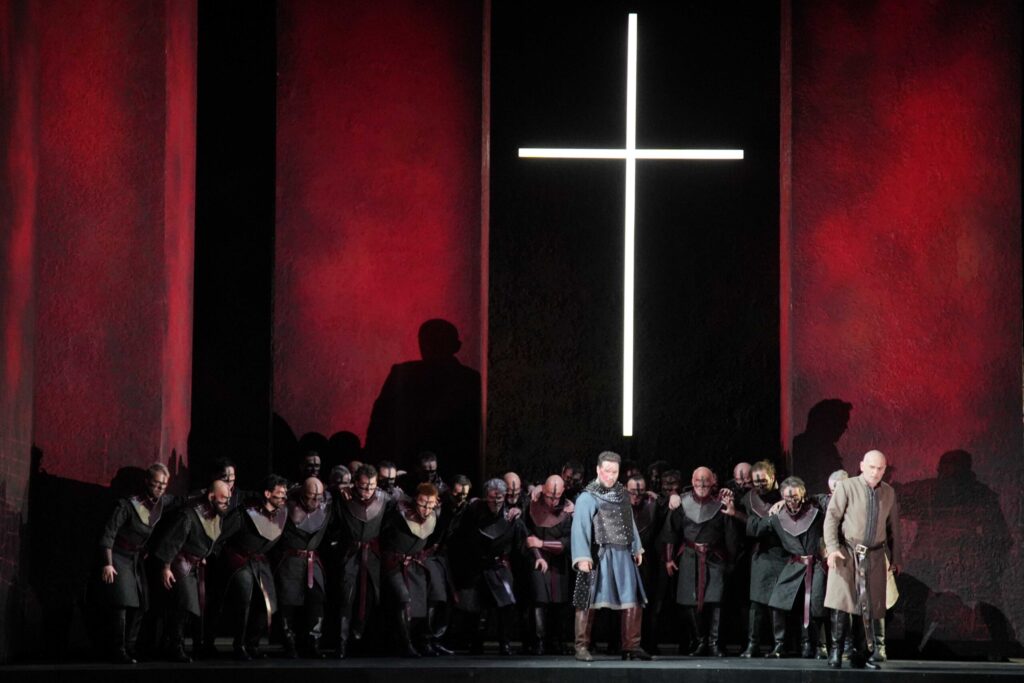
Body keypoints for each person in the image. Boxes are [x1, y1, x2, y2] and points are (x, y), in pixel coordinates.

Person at [365, 319, 482, 485]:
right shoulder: (469, 379)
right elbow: (380, 422)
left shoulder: (404, 374)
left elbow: (379, 424)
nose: (429, 348)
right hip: (437, 467)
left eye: (436, 342)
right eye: (428, 342)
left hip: (436, 467)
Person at [570, 451, 651, 661]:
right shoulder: (587, 497)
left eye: (614, 472)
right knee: (587, 599)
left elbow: (629, 523)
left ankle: (631, 646)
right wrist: (582, 557)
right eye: (607, 471)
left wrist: (637, 547)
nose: (611, 476)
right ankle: (581, 646)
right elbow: (580, 527)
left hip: (623, 553)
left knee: (632, 598)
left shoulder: (621, 494)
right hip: (598, 554)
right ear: (598, 470)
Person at [824, 450, 901, 670]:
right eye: (872, 467)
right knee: (842, 603)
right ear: (862, 466)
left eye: (880, 468)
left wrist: (896, 557)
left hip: (874, 556)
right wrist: (832, 548)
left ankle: (863, 654)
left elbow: (894, 528)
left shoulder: (888, 492)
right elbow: (832, 519)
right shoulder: (847, 487)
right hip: (847, 553)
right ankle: (836, 650)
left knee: (870, 606)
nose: (875, 472)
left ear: (885, 470)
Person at [98, 463, 174, 663]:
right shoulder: (127, 505)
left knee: (142, 603)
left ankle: (131, 647)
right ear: (147, 481)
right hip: (118, 556)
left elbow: (180, 500)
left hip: (135, 558)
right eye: (156, 484)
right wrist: (107, 563)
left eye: (164, 485)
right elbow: (108, 534)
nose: (160, 488)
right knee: (123, 602)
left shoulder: (161, 502)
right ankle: (118, 649)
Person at [659, 467, 739, 657]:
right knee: (689, 600)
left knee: (716, 599)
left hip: (714, 557)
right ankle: (699, 641)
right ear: (692, 482)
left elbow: (730, 535)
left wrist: (731, 560)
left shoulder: (721, 504)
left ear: (713, 483)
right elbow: (670, 531)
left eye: (706, 482)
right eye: (698, 482)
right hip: (689, 556)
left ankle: (714, 643)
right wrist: (669, 559)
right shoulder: (681, 502)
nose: (702, 485)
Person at [152, 479, 232, 662]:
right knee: (183, 606)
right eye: (223, 499)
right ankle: (175, 647)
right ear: (211, 497)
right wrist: (166, 567)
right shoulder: (188, 515)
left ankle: (186, 645)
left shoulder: (217, 515)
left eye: (228, 499)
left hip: (195, 565)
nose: (226, 503)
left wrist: (203, 554)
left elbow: (209, 539)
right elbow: (171, 542)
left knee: (193, 608)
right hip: (180, 564)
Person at [748, 476, 827, 659]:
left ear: (803, 495)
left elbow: (826, 499)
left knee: (814, 605)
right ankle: (779, 645)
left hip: (815, 565)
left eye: (795, 497)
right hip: (795, 564)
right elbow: (756, 529)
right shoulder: (778, 516)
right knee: (777, 601)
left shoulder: (816, 512)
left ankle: (817, 645)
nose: (792, 502)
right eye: (787, 498)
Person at [450, 478, 525, 655]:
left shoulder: (511, 517)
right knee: (477, 606)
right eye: (492, 498)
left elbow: (520, 545)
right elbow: (460, 536)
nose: (496, 502)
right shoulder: (473, 512)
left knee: (506, 603)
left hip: (498, 566)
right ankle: (475, 643)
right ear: (486, 497)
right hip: (476, 565)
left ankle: (505, 643)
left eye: (499, 498)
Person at [218, 474, 290, 660]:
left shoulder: (281, 513)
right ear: (267, 494)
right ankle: (239, 645)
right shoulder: (245, 513)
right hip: (240, 559)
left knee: (267, 603)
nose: (284, 497)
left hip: (260, 561)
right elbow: (220, 535)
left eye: (285, 494)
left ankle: (253, 644)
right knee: (244, 600)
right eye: (280, 494)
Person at [330, 464, 395, 658]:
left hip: (373, 555)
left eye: (372, 486)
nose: (367, 490)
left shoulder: (385, 499)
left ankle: (364, 642)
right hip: (350, 553)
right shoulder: (343, 498)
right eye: (363, 486)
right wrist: (340, 488)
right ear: (355, 483)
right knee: (346, 597)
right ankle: (341, 643)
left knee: (372, 598)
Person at [380, 482, 443, 657]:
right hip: (393, 562)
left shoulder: (434, 514)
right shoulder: (398, 512)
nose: (426, 509)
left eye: (430, 505)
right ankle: (404, 643)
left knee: (431, 596)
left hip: (415, 562)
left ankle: (423, 641)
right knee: (403, 598)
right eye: (423, 504)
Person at [276, 477, 332, 658]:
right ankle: (289, 644)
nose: (315, 501)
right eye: (310, 497)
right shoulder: (287, 505)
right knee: (288, 602)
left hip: (312, 561)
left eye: (318, 497)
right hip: (291, 560)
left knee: (317, 599)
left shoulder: (327, 504)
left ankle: (314, 643)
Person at [737, 460, 786, 658]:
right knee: (756, 603)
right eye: (756, 482)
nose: (760, 486)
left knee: (778, 602)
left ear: (772, 477)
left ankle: (780, 644)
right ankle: (753, 644)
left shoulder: (784, 494)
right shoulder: (748, 499)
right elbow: (747, 526)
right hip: (760, 554)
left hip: (782, 553)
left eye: (763, 481)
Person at [522, 475, 573, 655]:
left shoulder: (567, 511)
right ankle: (539, 642)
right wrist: (536, 551)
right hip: (537, 559)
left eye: (556, 497)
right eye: (550, 496)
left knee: (559, 602)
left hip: (558, 560)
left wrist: (542, 543)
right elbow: (527, 534)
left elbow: (567, 542)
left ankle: (558, 642)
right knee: (539, 600)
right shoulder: (532, 505)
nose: (553, 501)